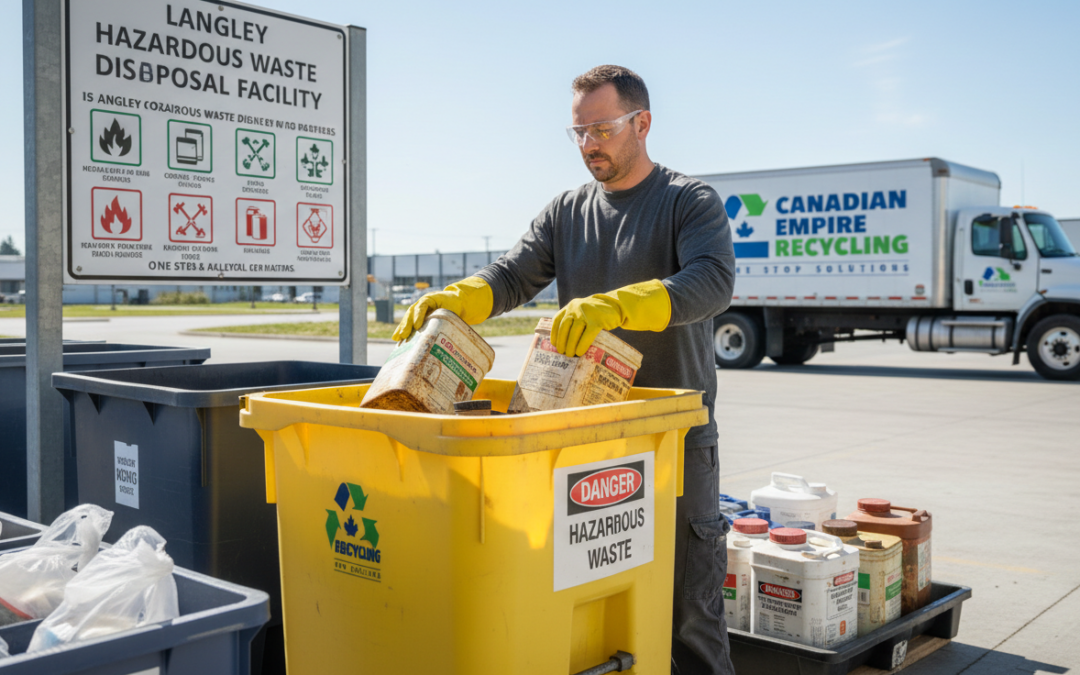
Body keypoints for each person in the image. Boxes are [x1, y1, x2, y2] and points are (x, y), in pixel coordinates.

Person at [393, 65, 736, 674]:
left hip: (674, 440)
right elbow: (512, 275)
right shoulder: (567, 211)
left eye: (602, 129)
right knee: (596, 602)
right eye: (578, 132)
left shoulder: (688, 200)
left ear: (642, 123)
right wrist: (463, 297)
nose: (588, 144)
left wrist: (619, 304)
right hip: (587, 439)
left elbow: (712, 281)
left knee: (689, 614)